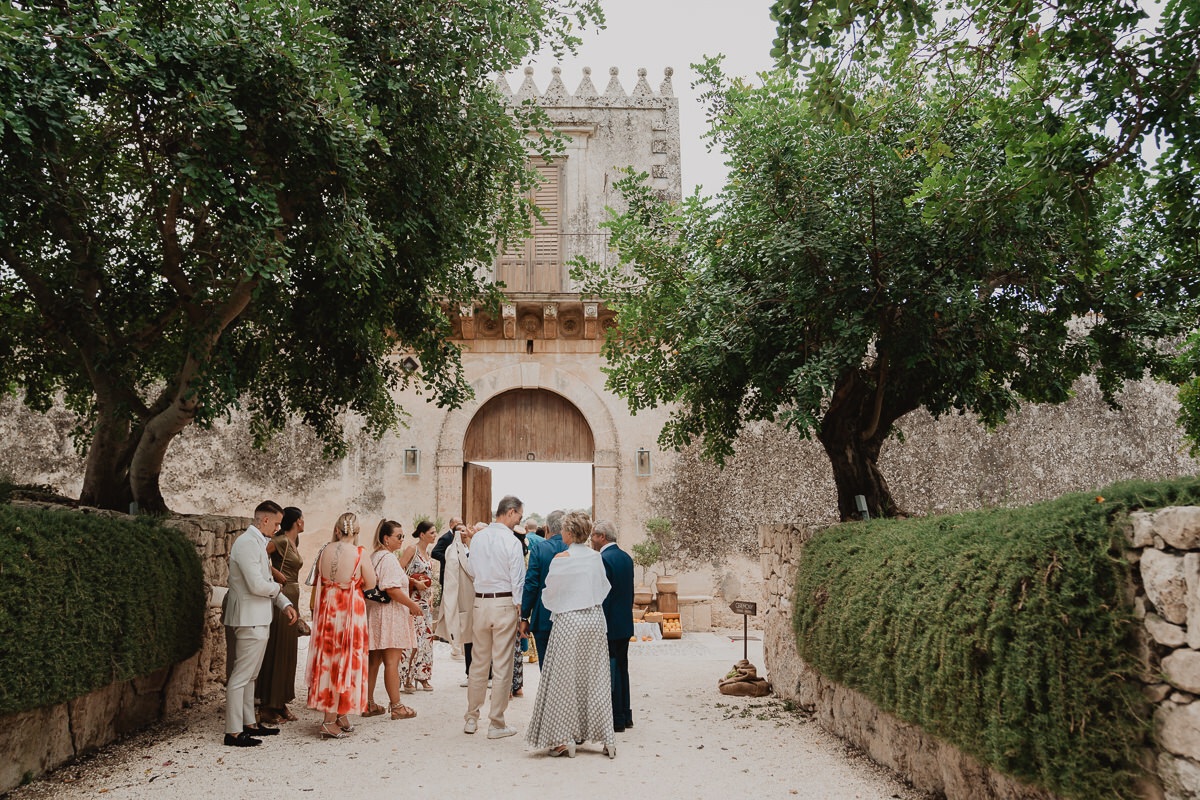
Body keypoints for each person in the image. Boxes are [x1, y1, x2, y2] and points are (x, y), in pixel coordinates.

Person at [525, 511, 616, 758]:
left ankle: (562, 739)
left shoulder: (561, 558)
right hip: (595, 621)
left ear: (569, 532)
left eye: (564, 529)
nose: (562, 533)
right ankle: (607, 739)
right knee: (596, 679)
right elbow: (604, 589)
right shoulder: (596, 558)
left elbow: (549, 594)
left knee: (562, 682)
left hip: (569, 622)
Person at [223, 501, 297, 747]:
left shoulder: (258, 543)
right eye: (276, 523)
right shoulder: (246, 543)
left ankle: (249, 724)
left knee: (251, 676)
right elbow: (257, 585)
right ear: (264, 520)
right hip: (248, 617)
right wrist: (278, 588)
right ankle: (233, 731)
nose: (278, 528)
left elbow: (264, 578)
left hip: (259, 616)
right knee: (241, 675)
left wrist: (284, 604)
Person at [306, 512, 376, 740]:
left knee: (328, 659)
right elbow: (372, 583)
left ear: (337, 530)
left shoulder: (325, 550)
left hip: (328, 609)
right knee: (344, 660)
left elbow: (318, 577)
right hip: (348, 611)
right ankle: (328, 720)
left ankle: (338, 714)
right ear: (356, 532)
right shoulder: (359, 553)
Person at [462, 496, 526, 739]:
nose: (520, 519)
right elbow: (517, 579)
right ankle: (496, 723)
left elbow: (470, 570)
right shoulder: (511, 541)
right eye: (519, 515)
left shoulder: (478, 538)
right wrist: (521, 613)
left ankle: (471, 717)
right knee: (502, 665)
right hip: (504, 602)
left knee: (478, 663)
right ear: (510, 513)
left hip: (481, 602)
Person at [364, 520, 423, 720]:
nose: (402, 540)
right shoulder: (388, 558)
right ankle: (396, 706)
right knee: (391, 661)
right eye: (399, 536)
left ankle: (368, 702)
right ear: (386, 538)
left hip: (375, 613)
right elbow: (391, 588)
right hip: (389, 614)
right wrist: (411, 605)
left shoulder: (375, 556)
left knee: (374, 661)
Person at [255, 506, 305, 724]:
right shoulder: (281, 540)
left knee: (288, 652)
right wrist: (276, 574)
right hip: (280, 597)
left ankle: (281, 702)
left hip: (292, 594)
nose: (305, 522)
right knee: (277, 650)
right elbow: (259, 556)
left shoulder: (295, 542)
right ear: (297, 522)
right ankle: (267, 706)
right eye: (302, 518)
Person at [592, 519, 635, 733]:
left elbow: (604, 597)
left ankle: (617, 718)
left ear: (602, 537)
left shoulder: (603, 559)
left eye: (593, 536)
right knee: (623, 669)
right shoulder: (626, 558)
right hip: (625, 622)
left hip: (610, 624)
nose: (591, 540)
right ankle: (626, 714)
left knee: (612, 670)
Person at [521, 510, 566, 669]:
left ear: (546, 528)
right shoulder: (573, 548)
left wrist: (524, 616)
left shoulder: (540, 549)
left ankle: (548, 694)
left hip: (543, 615)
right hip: (570, 617)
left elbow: (531, 584)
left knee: (546, 667)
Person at [434, 521, 476, 685]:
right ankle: (469, 672)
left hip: (475, 597)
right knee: (467, 634)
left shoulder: (473, 548)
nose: (466, 533)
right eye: (463, 531)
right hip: (464, 596)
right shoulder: (452, 550)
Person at [398, 520, 437, 692]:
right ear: (422, 534)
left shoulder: (428, 552)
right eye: (432, 533)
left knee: (426, 640)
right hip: (412, 600)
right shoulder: (411, 550)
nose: (435, 535)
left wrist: (432, 594)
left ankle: (422, 676)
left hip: (425, 602)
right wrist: (414, 582)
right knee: (412, 641)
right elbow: (397, 571)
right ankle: (406, 677)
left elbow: (430, 578)